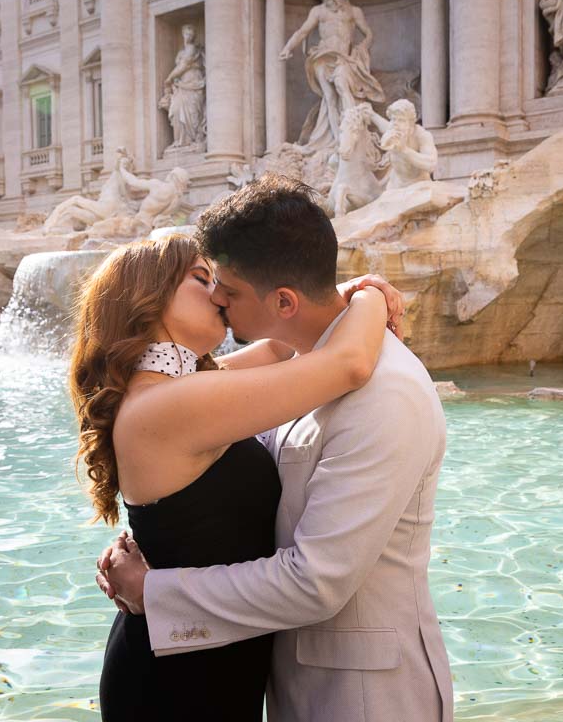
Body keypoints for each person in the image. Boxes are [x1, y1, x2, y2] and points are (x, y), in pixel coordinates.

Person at [98, 174, 453, 722]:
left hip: (359, 695)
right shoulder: (190, 395)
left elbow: (315, 579)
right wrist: (366, 302)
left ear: (282, 299)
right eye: (203, 280)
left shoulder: (385, 391)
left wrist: (156, 590)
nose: (217, 296)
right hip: (199, 673)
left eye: (225, 287)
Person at [280, 0, 385, 150]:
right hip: (322, 57)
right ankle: (338, 140)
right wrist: (288, 47)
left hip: (343, 59)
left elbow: (368, 33)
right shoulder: (318, 11)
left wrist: (362, 47)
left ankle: (352, 132)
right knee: (329, 97)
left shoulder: (353, 11)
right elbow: (303, 31)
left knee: (343, 88)